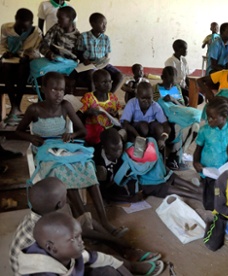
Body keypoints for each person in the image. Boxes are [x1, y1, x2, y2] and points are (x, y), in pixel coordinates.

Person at [16, 72, 125, 237]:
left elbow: (81, 130)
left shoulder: (65, 106)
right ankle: (87, 223)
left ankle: (104, 221)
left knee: (88, 167)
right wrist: (31, 137)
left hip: (64, 147)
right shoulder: (35, 109)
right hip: (45, 151)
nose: (58, 93)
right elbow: (18, 132)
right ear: (44, 89)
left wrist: (71, 135)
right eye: (54, 89)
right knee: (64, 172)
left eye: (61, 89)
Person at [10, 177, 163, 276]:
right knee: (104, 267)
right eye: (66, 195)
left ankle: (126, 252)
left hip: (53, 253)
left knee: (87, 220)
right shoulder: (45, 236)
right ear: (60, 203)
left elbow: (79, 230)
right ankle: (130, 263)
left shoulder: (42, 218)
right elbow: (79, 254)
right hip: (48, 268)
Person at [18, 212, 135, 276]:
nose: (82, 241)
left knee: (108, 270)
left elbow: (99, 258)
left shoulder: (66, 251)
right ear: (51, 247)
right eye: (74, 238)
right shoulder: (42, 272)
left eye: (80, 236)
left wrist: (121, 268)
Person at [193, 97, 228, 210]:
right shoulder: (205, 130)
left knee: (227, 199)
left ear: (223, 117)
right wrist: (195, 162)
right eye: (208, 116)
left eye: (212, 118)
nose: (208, 120)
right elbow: (198, 149)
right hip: (208, 170)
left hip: (225, 170)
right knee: (210, 204)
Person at [153, 67, 200, 170]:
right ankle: (174, 156)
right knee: (183, 126)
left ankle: (177, 155)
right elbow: (155, 108)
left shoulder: (177, 88)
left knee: (196, 126)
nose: (170, 86)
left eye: (172, 83)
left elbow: (182, 107)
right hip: (165, 118)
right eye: (168, 82)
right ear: (162, 78)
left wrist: (174, 100)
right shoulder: (155, 88)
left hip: (178, 114)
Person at [0, 8, 42, 122]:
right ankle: (15, 106)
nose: (22, 29)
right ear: (15, 20)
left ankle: (15, 106)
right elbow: (2, 45)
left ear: (32, 24)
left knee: (22, 69)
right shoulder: (5, 28)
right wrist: (5, 53)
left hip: (25, 62)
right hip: (10, 61)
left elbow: (36, 51)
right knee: (5, 67)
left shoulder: (36, 32)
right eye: (19, 27)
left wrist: (27, 57)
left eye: (25, 28)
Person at [75, 12, 123, 92]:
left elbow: (107, 55)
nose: (104, 26)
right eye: (102, 23)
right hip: (88, 64)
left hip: (102, 64)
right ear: (93, 24)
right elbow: (78, 52)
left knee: (120, 76)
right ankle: (93, 98)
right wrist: (84, 60)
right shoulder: (83, 36)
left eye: (105, 24)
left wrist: (105, 61)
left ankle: (109, 96)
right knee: (92, 75)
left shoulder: (106, 38)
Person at [120, 82, 170, 149]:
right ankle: (139, 146)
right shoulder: (131, 104)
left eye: (149, 98)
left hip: (150, 130)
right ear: (137, 96)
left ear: (153, 96)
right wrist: (137, 136)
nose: (146, 101)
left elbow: (165, 125)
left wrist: (163, 138)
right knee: (143, 127)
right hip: (135, 130)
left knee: (159, 128)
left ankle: (158, 149)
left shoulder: (155, 106)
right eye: (143, 98)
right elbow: (125, 124)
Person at [78, 69, 122, 145]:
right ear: (95, 84)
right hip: (93, 129)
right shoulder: (88, 97)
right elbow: (79, 115)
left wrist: (115, 114)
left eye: (109, 81)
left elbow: (118, 113)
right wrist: (89, 112)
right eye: (104, 82)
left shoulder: (112, 97)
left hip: (109, 128)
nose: (108, 84)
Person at [165, 39, 204, 105]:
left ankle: (187, 106)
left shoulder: (184, 60)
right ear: (180, 50)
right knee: (184, 101)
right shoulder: (170, 62)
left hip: (183, 87)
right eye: (185, 49)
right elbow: (171, 81)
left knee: (200, 98)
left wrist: (190, 88)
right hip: (175, 88)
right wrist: (184, 90)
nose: (187, 51)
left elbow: (185, 76)